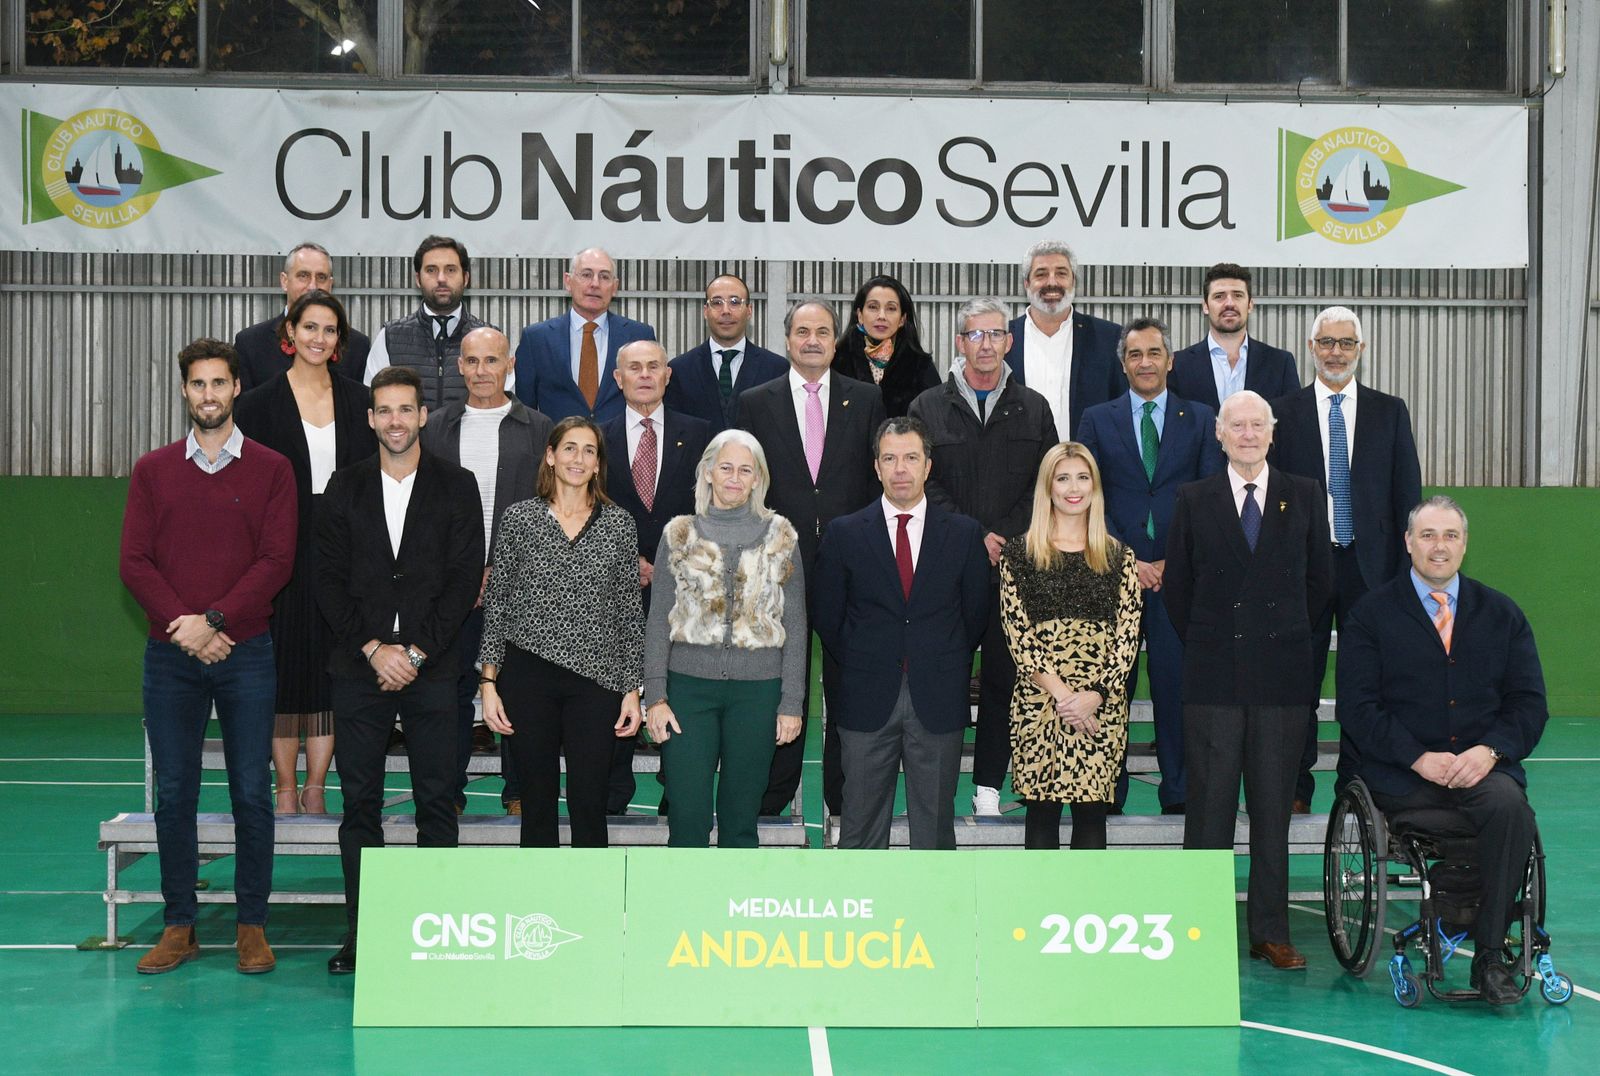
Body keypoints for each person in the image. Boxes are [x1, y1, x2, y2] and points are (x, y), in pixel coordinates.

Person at [119, 338, 296, 975]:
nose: (209, 395)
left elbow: (276, 560)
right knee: (176, 795)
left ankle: (252, 924)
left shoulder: (272, 469)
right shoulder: (153, 469)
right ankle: (179, 925)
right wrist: (185, 629)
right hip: (170, 657)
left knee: (251, 791)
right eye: (198, 384)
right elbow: (133, 562)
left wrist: (215, 621)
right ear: (185, 391)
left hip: (245, 650)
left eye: (219, 383)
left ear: (236, 388)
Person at [1338, 496, 1548, 1005]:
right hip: (1402, 775)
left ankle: (1491, 956)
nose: (1439, 546)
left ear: (1465, 544)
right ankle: (1460, 905)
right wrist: (1417, 757)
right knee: (1476, 814)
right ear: (1408, 543)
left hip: (1480, 771)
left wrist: (1490, 752)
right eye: (1427, 535)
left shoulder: (1501, 613)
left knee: (1511, 810)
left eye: (1450, 536)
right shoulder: (1372, 614)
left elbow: (1528, 704)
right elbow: (1358, 708)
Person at [316, 366, 484, 975]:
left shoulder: (457, 485)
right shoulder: (344, 485)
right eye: (383, 410)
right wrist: (371, 648)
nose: (394, 421)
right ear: (370, 418)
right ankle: (363, 932)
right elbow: (326, 579)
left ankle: (433, 931)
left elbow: (466, 578)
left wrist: (413, 653)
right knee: (360, 806)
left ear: (422, 416)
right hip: (358, 670)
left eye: (405, 410)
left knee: (437, 801)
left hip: (433, 670)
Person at [1164, 389, 1331, 970]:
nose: (1247, 434)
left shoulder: (1305, 495)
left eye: (1257, 424)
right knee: (1207, 810)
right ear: (1219, 434)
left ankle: (1270, 931)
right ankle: (1198, 925)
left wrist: (1284, 639)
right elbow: (1179, 591)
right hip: (1212, 677)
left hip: (1282, 679)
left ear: (1272, 432)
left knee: (1270, 812)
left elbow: (1319, 586)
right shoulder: (1194, 499)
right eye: (1237, 425)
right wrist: (1210, 641)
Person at [737, 299, 887, 818]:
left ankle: (844, 800)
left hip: (850, 563)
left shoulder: (866, 399)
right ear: (787, 340)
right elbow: (746, 482)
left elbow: (876, 481)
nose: (813, 340)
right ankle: (774, 797)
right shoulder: (755, 401)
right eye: (803, 331)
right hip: (778, 564)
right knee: (782, 682)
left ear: (836, 340)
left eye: (823, 331)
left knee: (848, 681)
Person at [907, 297, 1056, 816]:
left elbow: (1048, 483)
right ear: (959, 342)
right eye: (975, 335)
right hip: (946, 565)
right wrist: (974, 534)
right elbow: (919, 478)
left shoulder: (1034, 407)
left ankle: (989, 787)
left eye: (995, 335)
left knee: (1002, 678)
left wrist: (1005, 536)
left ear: (1008, 342)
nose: (986, 344)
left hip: (1014, 568)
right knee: (943, 678)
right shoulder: (928, 407)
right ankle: (936, 787)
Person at [1270, 305, 1421, 811]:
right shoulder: (1283, 413)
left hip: (1371, 567)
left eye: (1346, 343)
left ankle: (1358, 789)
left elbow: (1407, 495)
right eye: (1327, 342)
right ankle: (1295, 788)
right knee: (1297, 682)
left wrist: (1408, 572)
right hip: (1303, 569)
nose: (1336, 352)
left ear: (1361, 350)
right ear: (1311, 348)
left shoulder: (1389, 411)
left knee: (1366, 683)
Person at [814, 417, 991, 849]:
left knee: (933, 831)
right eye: (890, 458)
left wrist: (936, 656)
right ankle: (860, 916)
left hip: (938, 695)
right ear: (875, 467)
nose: (900, 469)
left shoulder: (965, 534)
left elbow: (975, 616)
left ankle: (932, 918)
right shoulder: (844, 533)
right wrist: (868, 658)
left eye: (911, 458)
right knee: (859, 828)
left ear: (928, 466)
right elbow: (828, 616)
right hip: (865, 696)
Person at [235, 290, 376, 816]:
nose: (319, 338)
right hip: (279, 550)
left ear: (340, 340)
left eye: (330, 329)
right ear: (288, 333)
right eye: (309, 327)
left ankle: (317, 786)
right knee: (284, 666)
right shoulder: (254, 404)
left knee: (331, 666)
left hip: (344, 551)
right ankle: (286, 787)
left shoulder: (361, 402)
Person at [1078, 316, 1224, 815]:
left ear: (1170, 360)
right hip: (1112, 573)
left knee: (1175, 688)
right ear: (1123, 364)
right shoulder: (1097, 419)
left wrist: (1168, 560)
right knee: (1110, 685)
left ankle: (1179, 793)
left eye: (1154, 353)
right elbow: (1089, 498)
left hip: (1178, 579)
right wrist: (1131, 560)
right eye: (1135, 354)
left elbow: (1210, 498)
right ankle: (1107, 791)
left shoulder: (1203, 418)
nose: (1145, 362)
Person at [478, 418, 645, 848]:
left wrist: (632, 690)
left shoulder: (619, 524)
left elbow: (628, 611)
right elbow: (497, 604)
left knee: (591, 802)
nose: (578, 458)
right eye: (569, 448)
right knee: (536, 801)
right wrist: (489, 683)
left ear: (598, 464)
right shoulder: (519, 519)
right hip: (528, 677)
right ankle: (541, 907)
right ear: (550, 456)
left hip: (598, 682)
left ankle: (592, 908)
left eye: (589, 451)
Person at [643, 430, 807, 846]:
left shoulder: (782, 538)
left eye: (745, 470)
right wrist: (656, 698)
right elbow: (658, 620)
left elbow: (797, 626)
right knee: (687, 814)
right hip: (687, 693)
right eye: (726, 467)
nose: (734, 477)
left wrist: (791, 703)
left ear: (757, 479)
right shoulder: (678, 535)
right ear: (708, 473)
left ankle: (733, 908)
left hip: (758, 694)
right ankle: (686, 909)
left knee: (740, 819)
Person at [420, 326, 553, 817]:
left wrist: (503, 568)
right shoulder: (434, 427)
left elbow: (548, 505)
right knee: (450, 692)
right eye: (472, 361)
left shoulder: (539, 428)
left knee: (518, 691)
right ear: (459, 367)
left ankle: (519, 792)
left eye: (491, 361)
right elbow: (425, 508)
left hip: (520, 584)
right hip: (449, 586)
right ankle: (447, 795)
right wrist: (464, 573)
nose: (481, 371)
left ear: (509, 364)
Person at [999, 442, 1142, 849]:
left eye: (1083, 477)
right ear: (1048, 488)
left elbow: (1129, 635)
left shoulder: (1120, 557)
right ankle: (1039, 912)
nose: (1073, 488)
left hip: (1102, 705)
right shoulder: (1019, 554)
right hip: (1040, 701)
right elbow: (1018, 634)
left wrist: (1094, 695)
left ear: (1095, 487)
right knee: (1041, 814)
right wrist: (1064, 696)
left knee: (1092, 815)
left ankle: (1088, 911)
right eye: (1063, 478)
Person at [601, 340, 712, 813]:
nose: (644, 375)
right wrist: (628, 559)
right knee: (612, 693)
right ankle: (611, 796)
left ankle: (678, 793)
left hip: (684, 592)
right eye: (634, 368)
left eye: (653, 367)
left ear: (668, 376)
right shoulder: (595, 439)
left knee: (680, 690)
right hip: (611, 594)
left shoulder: (704, 435)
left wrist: (668, 563)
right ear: (617, 378)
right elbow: (585, 512)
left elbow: (711, 511)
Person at [514, 247, 657, 423]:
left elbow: (652, 401)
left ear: (615, 287)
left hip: (620, 447)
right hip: (558, 446)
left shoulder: (639, 335)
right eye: (586, 275)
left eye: (604, 277)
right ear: (568, 281)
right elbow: (525, 410)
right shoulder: (536, 339)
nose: (595, 284)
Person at [1003, 239, 1126, 440]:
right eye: (1041, 274)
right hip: (1018, 469)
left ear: (1074, 282)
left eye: (1061, 273)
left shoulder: (1110, 339)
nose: (1052, 282)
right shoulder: (1001, 339)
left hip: (1087, 467)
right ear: (1026, 283)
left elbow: (1122, 411)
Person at [363, 235, 490, 409]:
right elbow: (372, 403)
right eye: (431, 270)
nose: (441, 278)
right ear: (418, 279)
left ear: (466, 278)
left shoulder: (490, 339)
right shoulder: (390, 337)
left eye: (450, 270)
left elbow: (503, 406)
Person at [234, 242, 370, 391]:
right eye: (303, 276)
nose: (312, 286)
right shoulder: (250, 343)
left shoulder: (357, 346)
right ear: (284, 281)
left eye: (321, 277)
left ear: (330, 285)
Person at [665, 273, 789, 432]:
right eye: (716, 302)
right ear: (705, 311)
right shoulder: (680, 370)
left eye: (735, 302)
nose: (726, 311)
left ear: (749, 311)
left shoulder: (776, 369)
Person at [1169, 263, 1299, 412]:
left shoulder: (1280, 364)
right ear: (1205, 306)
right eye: (1219, 296)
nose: (1229, 303)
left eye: (1238, 295)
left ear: (1250, 305)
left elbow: (1292, 423)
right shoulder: (1178, 365)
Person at [831, 274, 941, 418]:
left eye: (891, 308)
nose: (881, 316)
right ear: (860, 315)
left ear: (902, 319)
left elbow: (935, 419)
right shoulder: (837, 360)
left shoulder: (920, 365)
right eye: (873, 307)